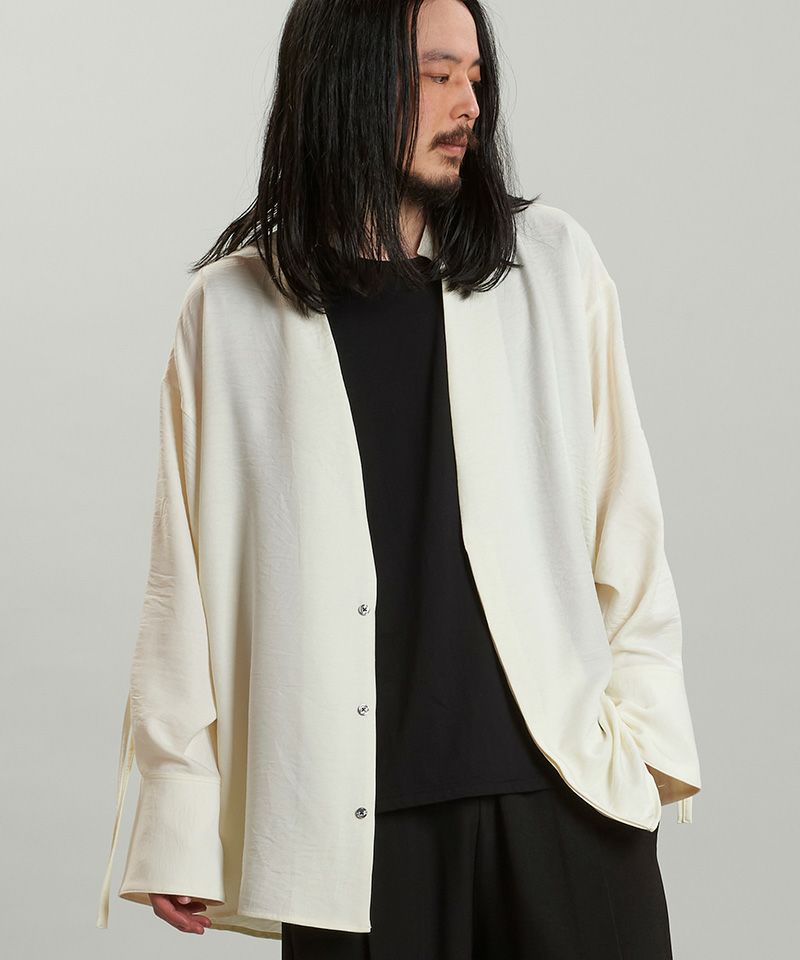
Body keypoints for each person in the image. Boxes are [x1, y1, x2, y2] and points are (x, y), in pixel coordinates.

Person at [96, 1, 702, 956]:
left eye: (476, 77)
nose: (470, 104)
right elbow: (184, 588)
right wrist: (179, 808)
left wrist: (645, 741)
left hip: (566, 806)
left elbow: (627, 526)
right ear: (348, 77)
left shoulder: (551, 267)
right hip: (355, 838)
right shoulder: (231, 314)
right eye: (437, 74)